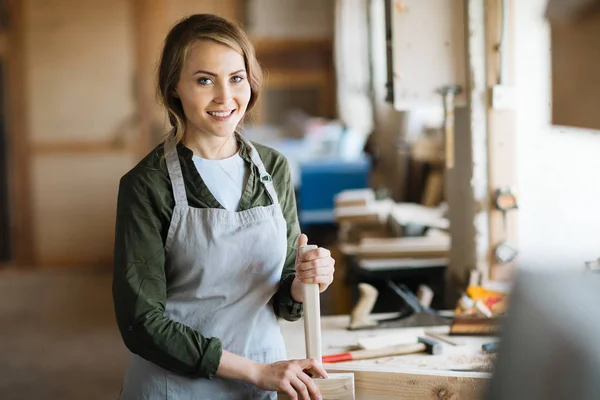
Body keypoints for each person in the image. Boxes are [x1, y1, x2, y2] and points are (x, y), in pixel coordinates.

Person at [112, 13, 336, 400]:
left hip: (264, 381)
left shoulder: (274, 168)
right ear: (174, 88)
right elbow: (141, 323)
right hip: (178, 388)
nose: (225, 97)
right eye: (204, 80)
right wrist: (255, 372)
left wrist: (306, 282)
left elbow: (282, 293)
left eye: (236, 78)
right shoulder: (147, 184)